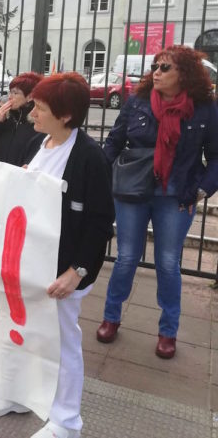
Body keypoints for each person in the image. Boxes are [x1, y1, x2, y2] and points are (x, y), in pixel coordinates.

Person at [0, 72, 115, 438]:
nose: (32, 113)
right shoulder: (40, 144)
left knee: (61, 341)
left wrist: (77, 271)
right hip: (25, 260)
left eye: (39, 107)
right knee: (16, 329)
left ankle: (66, 421)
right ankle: (16, 394)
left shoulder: (89, 158)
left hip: (61, 268)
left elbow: (100, 222)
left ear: (66, 114)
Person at [97, 46, 218, 360]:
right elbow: (114, 141)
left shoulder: (204, 108)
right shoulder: (138, 101)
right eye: (155, 66)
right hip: (133, 191)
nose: (157, 72)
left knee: (167, 263)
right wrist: (99, 176)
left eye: (165, 67)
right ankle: (111, 316)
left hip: (177, 195)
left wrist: (203, 190)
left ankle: (168, 331)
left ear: (185, 74)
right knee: (125, 257)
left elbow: (216, 157)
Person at [0, 72, 45, 166]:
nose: (10, 97)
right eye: (10, 92)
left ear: (30, 97)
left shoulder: (37, 124)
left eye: (15, 93)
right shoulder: (7, 117)